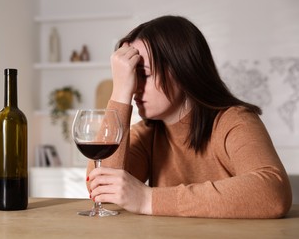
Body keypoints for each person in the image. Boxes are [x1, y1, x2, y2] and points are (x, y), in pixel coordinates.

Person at [86, 15, 292, 218]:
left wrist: (148, 199)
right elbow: (103, 193)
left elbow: (273, 192)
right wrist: (120, 92)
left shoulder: (235, 121)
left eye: (144, 74)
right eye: (130, 76)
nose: (134, 88)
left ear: (183, 71)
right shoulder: (149, 133)